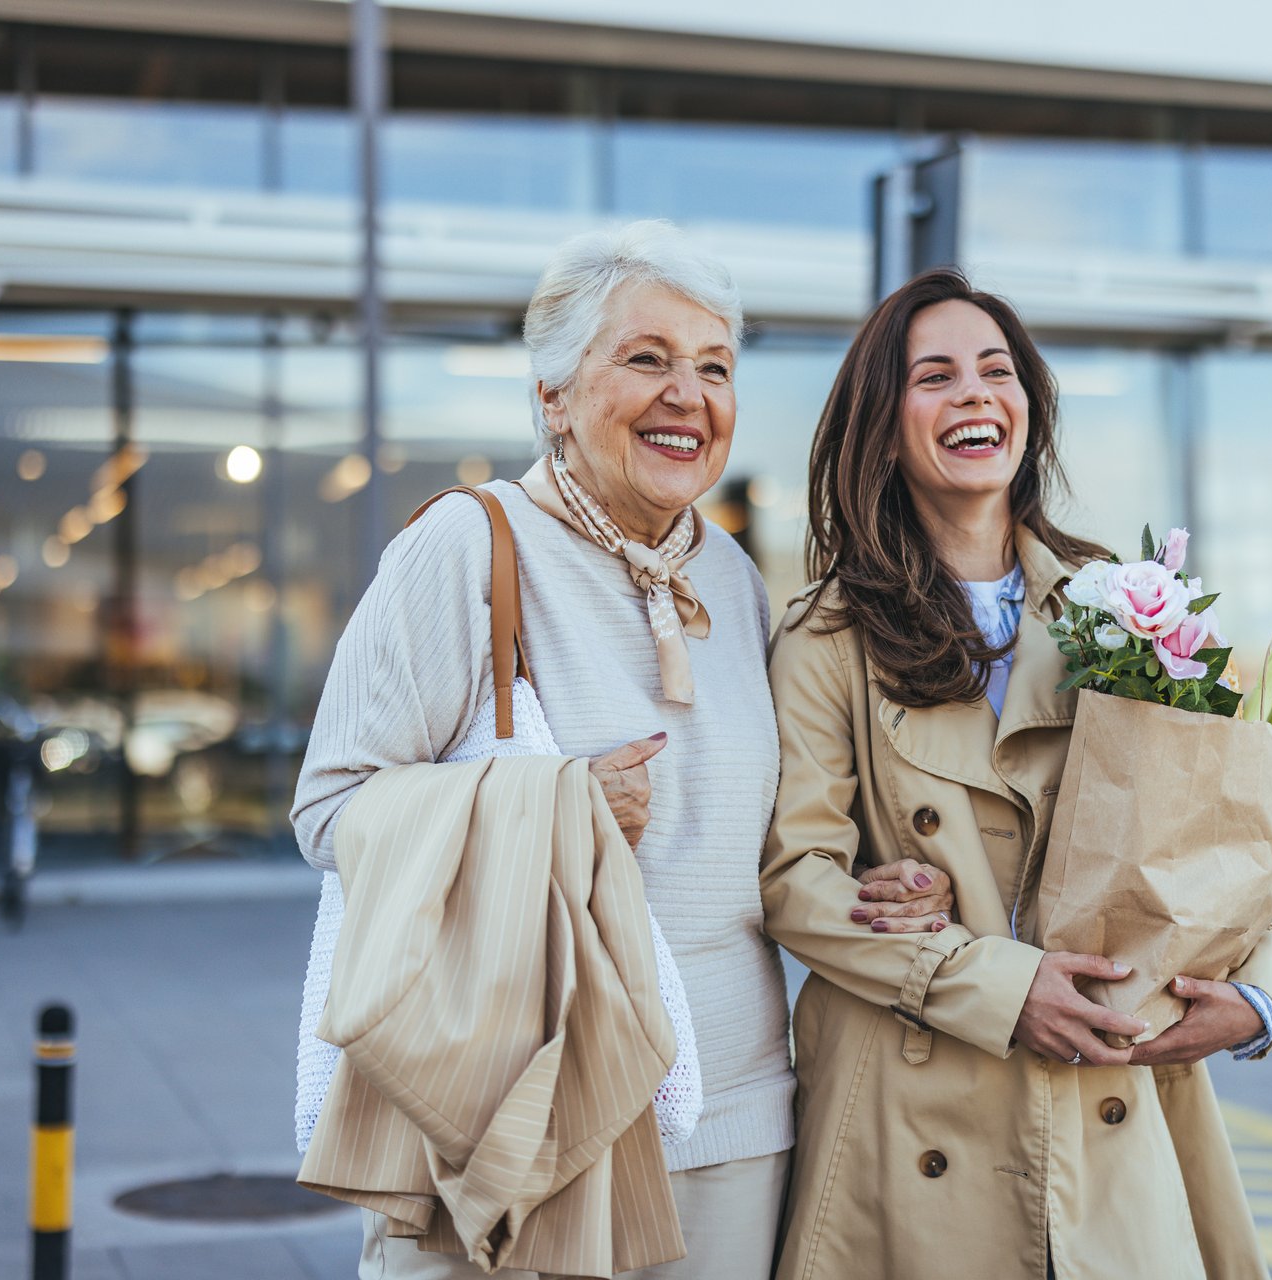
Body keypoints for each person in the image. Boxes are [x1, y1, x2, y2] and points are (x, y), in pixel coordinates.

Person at [291, 221, 951, 1279]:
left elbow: (761, 829)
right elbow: (329, 812)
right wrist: (551, 804)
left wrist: (874, 883)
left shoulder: (732, 579)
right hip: (519, 1101)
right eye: (646, 358)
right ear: (552, 394)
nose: (687, 393)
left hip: (730, 1117)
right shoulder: (465, 545)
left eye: (714, 367)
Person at [762, 268, 1272, 1280]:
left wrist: (1260, 994)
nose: (975, 393)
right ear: (881, 429)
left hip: (1112, 1093)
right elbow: (796, 878)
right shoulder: (825, 637)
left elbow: (1229, 813)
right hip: (915, 1107)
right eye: (935, 375)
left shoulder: (1128, 602)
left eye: (996, 370)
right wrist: (1003, 984)